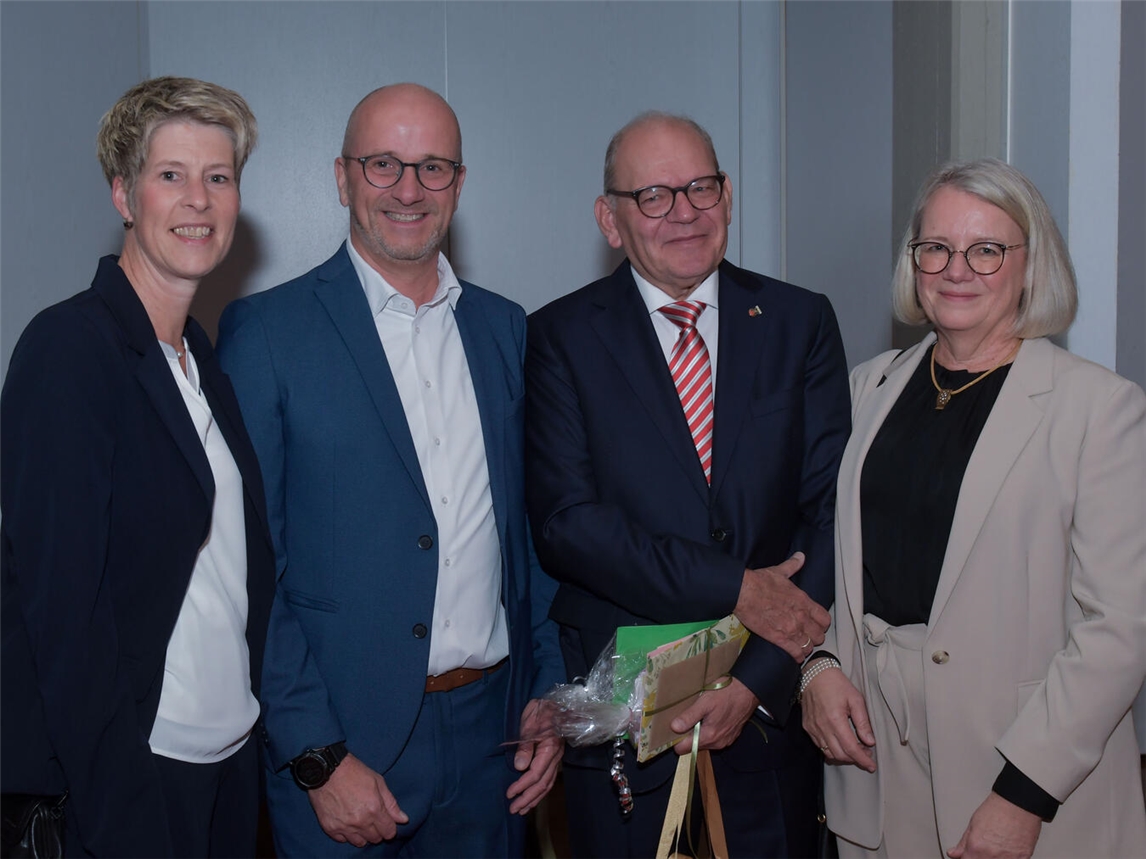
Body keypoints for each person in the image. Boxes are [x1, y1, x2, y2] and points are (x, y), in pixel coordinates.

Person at [216, 83, 564, 857]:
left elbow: (525, 533)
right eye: (383, 165)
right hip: (342, 753)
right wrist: (314, 753)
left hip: (491, 747)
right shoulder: (266, 335)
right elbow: (248, 571)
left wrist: (546, 692)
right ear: (341, 177)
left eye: (433, 167)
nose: (409, 190)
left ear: (460, 184)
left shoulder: (504, 329)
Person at [525, 111, 851, 857]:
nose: (686, 212)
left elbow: (832, 513)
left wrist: (759, 676)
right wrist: (735, 585)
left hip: (769, 708)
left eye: (701, 187)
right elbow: (569, 523)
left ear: (728, 195)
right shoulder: (558, 339)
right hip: (626, 711)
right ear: (610, 219)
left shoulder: (800, 320)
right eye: (655, 196)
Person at [801, 158, 1146, 858]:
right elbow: (819, 562)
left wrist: (1024, 792)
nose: (957, 270)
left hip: (1024, 772)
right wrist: (818, 665)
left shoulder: (1099, 411)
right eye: (937, 248)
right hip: (875, 770)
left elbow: (1118, 629)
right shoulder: (867, 390)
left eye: (986, 249)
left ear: (1030, 262)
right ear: (914, 261)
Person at [0, 76, 274, 856]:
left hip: (226, 769)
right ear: (123, 194)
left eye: (218, 177)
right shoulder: (69, 350)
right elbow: (66, 622)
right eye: (170, 175)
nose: (198, 199)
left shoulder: (200, 362)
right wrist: (121, 819)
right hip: (130, 788)